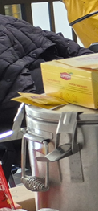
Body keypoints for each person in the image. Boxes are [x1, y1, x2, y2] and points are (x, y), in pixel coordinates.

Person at [0, 16, 91, 181]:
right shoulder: (8, 22)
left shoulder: (7, 22)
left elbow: (59, 43)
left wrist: (96, 63)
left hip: (48, 99)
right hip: (39, 110)